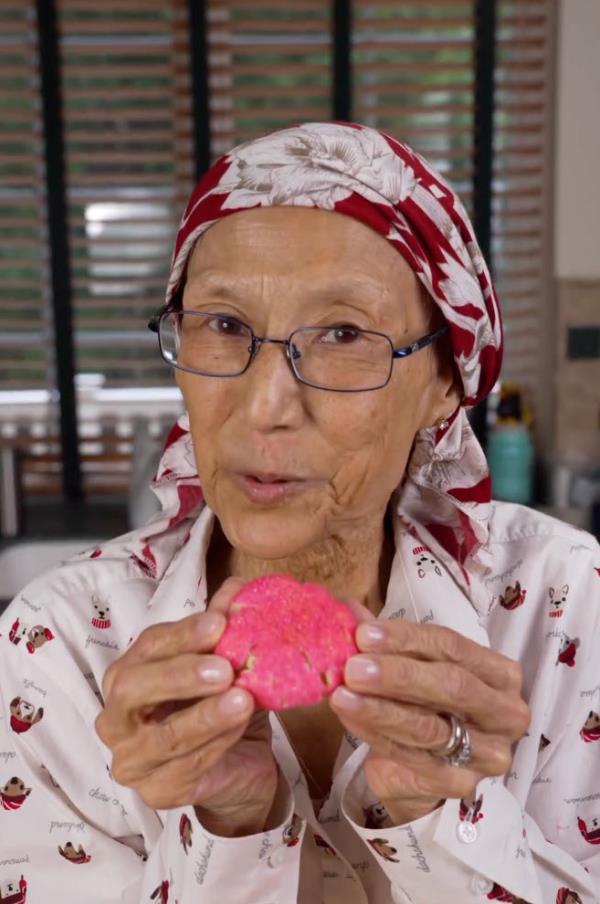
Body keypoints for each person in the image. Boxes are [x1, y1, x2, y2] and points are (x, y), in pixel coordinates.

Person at [0, 122, 598, 904]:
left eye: (344, 334)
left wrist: (440, 820)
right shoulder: (63, 646)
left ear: (448, 380)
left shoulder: (570, 609)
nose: (264, 408)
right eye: (222, 326)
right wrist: (228, 828)